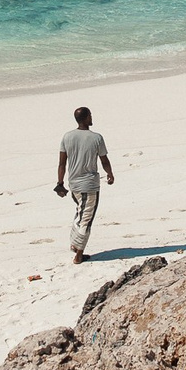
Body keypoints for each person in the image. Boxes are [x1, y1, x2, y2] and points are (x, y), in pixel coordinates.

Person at [53, 105, 116, 263]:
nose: (92, 118)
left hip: (73, 185)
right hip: (89, 186)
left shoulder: (67, 137)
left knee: (80, 213)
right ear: (86, 118)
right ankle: (79, 254)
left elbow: (62, 164)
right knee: (86, 219)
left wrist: (60, 183)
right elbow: (104, 160)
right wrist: (110, 174)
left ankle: (75, 244)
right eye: (90, 115)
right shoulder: (96, 138)